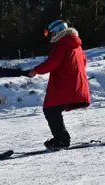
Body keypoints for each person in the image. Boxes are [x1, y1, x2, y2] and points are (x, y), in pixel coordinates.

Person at [27, 20, 91, 149]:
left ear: (57, 31)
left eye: (50, 33)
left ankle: (61, 140)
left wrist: (35, 70)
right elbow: (83, 63)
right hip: (77, 85)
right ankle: (61, 139)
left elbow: (52, 63)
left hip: (64, 86)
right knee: (53, 110)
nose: (50, 36)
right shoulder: (76, 45)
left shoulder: (61, 44)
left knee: (50, 109)